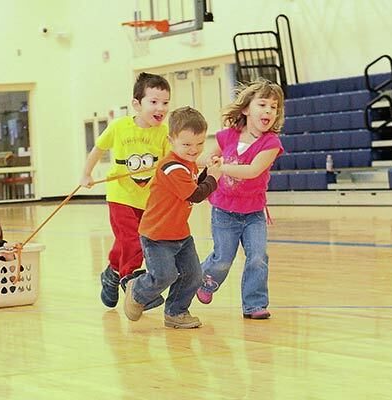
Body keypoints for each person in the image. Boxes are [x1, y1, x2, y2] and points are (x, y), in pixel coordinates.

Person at [123, 106, 221, 328]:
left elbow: (194, 183)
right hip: (157, 235)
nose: (194, 150)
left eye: (199, 144)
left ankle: (176, 312)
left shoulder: (187, 164)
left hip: (180, 234)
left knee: (193, 276)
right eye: (187, 144)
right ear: (171, 140)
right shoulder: (172, 167)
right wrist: (214, 178)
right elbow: (195, 195)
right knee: (164, 275)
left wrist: (207, 172)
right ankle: (137, 290)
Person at [196, 78, 285, 320]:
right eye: (263, 104)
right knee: (223, 258)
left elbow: (252, 171)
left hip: (254, 213)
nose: (268, 111)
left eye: (274, 107)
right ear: (246, 109)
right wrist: (200, 162)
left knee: (258, 257)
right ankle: (201, 280)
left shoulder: (271, 143)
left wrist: (221, 167)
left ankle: (254, 304)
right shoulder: (226, 137)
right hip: (224, 211)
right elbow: (204, 159)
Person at [80, 72, 171, 309]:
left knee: (125, 243)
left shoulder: (163, 133)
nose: (160, 107)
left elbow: (175, 159)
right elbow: (98, 149)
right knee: (132, 240)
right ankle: (133, 284)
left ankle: (111, 273)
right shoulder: (119, 126)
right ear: (136, 104)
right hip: (120, 196)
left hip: (148, 199)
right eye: (154, 102)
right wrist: (86, 174)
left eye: (165, 102)